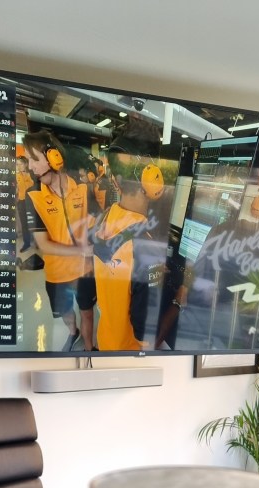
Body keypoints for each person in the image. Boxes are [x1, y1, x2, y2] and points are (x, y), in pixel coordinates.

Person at [92, 119, 165, 351]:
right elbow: (145, 334)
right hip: (129, 357)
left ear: (114, 181)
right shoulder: (146, 249)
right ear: (154, 176)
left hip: (105, 342)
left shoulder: (103, 219)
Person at [23, 130, 96, 352]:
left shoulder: (83, 188)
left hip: (85, 271)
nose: (30, 167)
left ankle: (89, 348)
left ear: (54, 157)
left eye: (33, 159)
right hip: (56, 273)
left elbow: (95, 224)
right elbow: (43, 244)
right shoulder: (33, 195)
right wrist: (81, 250)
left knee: (87, 312)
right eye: (28, 161)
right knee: (65, 313)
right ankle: (73, 332)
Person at [16, 155, 34, 252]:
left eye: (21, 164)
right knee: (24, 224)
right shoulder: (16, 176)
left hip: (32, 201)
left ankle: (37, 241)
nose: (19, 166)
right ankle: (26, 243)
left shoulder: (32, 174)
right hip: (22, 201)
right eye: (17, 164)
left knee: (33, 222)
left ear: (26, 164)